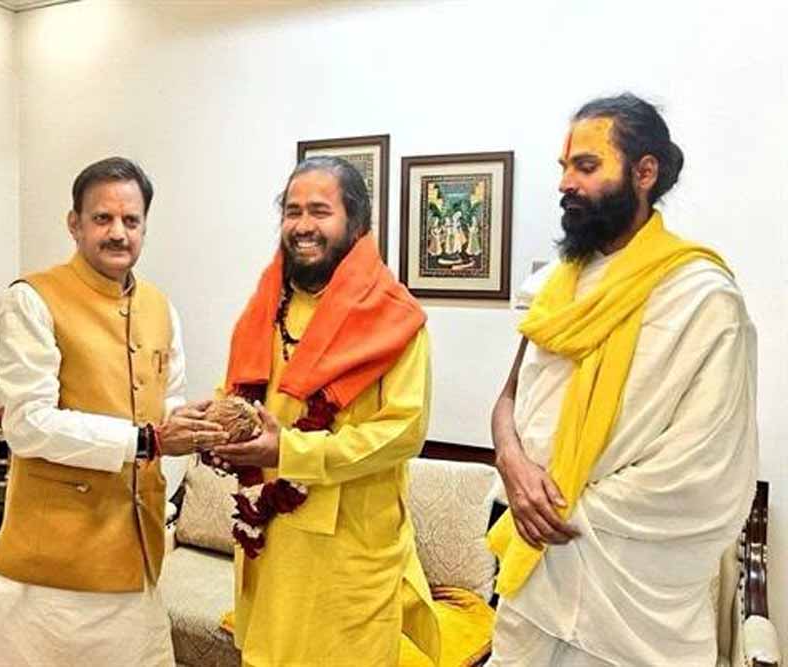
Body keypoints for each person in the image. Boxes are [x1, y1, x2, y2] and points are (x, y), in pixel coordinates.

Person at [486, 94, 758, 665]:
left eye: (586, 166)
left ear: (644, 172)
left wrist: (559, 510)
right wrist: (511, 461)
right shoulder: (552, 288)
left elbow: (702, 470)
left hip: (633, 611)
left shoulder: (703, 299)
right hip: (533, 583)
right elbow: (509, 398)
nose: (566, 183)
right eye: (564, 168)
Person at [0, 157, 226, 666]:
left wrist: (195, 428)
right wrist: (147, 440)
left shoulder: (161, 307)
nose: (118, 233)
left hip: (139, 554)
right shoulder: (32, 300)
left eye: (131, 220)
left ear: (145, 227)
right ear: (75, 223)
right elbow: (27, 424)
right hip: (52, 568)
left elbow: (167, 403)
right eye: (102, 218)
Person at [208, 156, 440, 666]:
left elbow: (402, 433)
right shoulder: (266, 307)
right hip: (271, 544)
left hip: (348, 559)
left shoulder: (395, 318)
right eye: (292, 212)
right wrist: (215, 426)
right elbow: (241, 395)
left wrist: (289, 451)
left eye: (320, 211)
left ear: (355, 223)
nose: (303, 226)